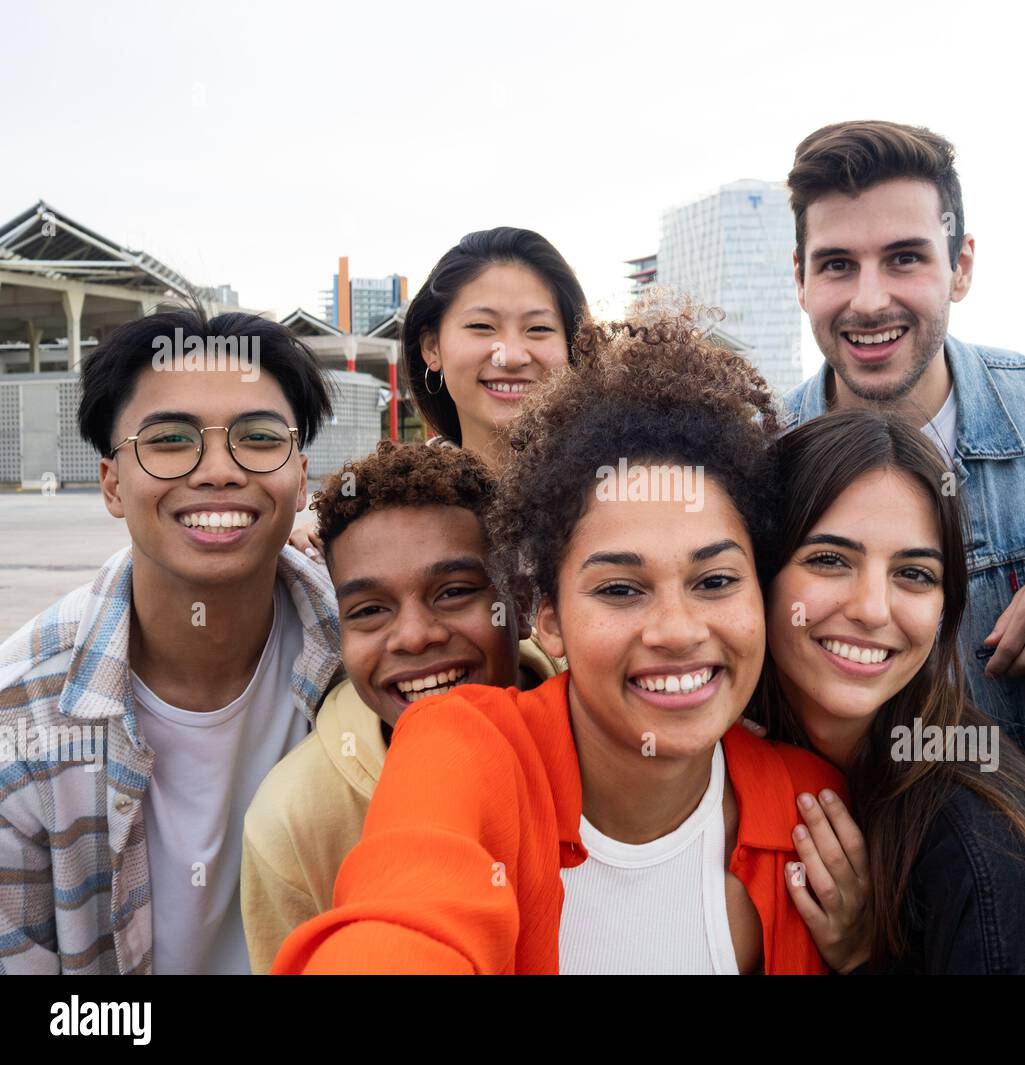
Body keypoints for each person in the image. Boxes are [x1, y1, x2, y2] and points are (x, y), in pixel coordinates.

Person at [273, 311, 844, 974]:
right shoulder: (459, 748)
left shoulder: (818, 817)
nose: (678, 630)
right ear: (545, 616)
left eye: (714, 579)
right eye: (620, 589)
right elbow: (406, 919)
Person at [753, 410, 1025, 974]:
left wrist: (868, 962)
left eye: (914, 574)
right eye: (829, 560)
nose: (872, 609)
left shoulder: (983, 839)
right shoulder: (722, 746)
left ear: (944, 607)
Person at [0, 307, 340, 974]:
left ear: (301, 479)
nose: (218, 470)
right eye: (170, 440)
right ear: (111, 483)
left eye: (259, 437)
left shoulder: (369, 651)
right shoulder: (23, 712)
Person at [780, 120, 1025, 767]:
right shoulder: (761, 460)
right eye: (838, 264)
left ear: (961, 267)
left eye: (904, 258)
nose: (869, 301)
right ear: (800, 279)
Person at [241, 440, 559, 973]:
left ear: (521, 604)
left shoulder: (597, 739)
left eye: (454, 592)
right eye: (369, 610)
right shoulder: (292, 821)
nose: (413, 637)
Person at [290, 227, 587, 559]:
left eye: (539, 329)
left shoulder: (616, 491)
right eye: (482, 327)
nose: (512, 355)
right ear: (432, 347)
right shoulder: (383, 513)